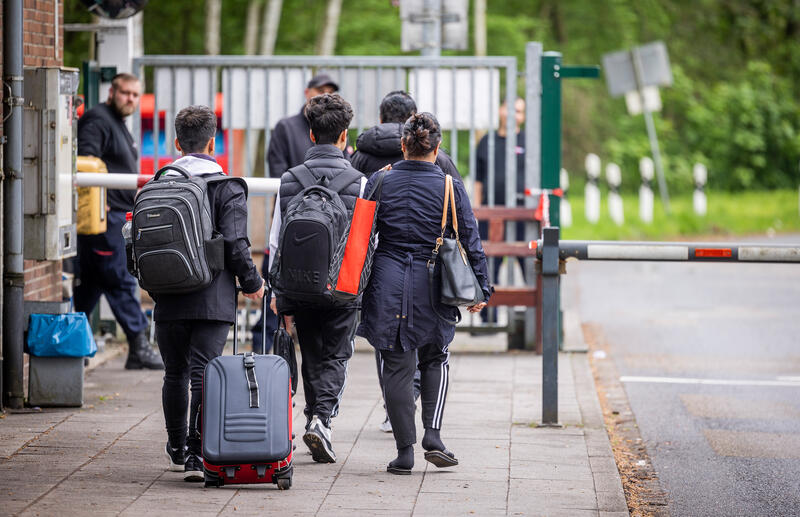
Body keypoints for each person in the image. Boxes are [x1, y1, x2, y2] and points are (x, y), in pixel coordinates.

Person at [358, 113, 491, 475]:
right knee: (435, 357)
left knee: (396, 366)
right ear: (437, 148)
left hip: (386, 280)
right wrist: (483, 286)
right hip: (433, 284)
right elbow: (471, 240)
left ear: (403, 146)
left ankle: (404, 452)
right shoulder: (450, 186)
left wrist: (348, 289)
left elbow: (358, 239)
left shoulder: (379, 181)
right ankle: (432, 433)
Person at [154, 105, 265, 481]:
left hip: (168, 294)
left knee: (174, 372)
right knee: (203, 372)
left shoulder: (160, 182)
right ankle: (197, 454)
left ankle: (175, 448)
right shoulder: (226, 186)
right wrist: (252, 282)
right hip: (211, 297)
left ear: (176, 143)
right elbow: (236, 244)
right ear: (213, 143)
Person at [351, 90, 466, 433]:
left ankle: (398, 422)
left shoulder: (363, 159)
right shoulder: (440, 165)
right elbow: (462, 222)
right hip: (429, 271)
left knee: (391, 350)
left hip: (385, 270)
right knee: (432, 350)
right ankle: (429, 426)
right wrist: (479, 285)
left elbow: (357, 225)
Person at [268, 93, 366, 464]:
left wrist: (277, 288)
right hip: (342, 285)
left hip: (299, 283)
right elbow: (364, 242)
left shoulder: (289, 179)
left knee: (310, 352)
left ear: (310, 135)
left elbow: (277, 238)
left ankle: (313, 417)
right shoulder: (361, 182)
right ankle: (322, 420)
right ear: (345, 137)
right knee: (337, 355)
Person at [76, 73, 164, 370]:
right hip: (104, 219)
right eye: (125, 93)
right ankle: (139, 345)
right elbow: (85, 166)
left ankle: (69, 344)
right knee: (118, 279)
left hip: (112, 217)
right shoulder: (98, 120)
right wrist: (107, 205)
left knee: (91, 284)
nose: (130, 99)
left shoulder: (117, 124)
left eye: (135, 95)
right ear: (112, 91)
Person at [475, 98, 527, 322]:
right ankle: (488, 319)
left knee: (528, 264)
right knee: (489, 266)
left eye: (519, 111)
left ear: (523, 116)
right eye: (510, 109)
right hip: (492, 214)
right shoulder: (487, 141)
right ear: (501, 110)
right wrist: (477, 211)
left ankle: (535, 319)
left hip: (523, 215)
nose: (514, 114)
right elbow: (478, 180)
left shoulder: (529, 142)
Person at [349, 90, 459, 178]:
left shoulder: (358, 157)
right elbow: (457, 200)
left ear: (381, 119)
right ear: (414, 120)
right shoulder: (434, 155)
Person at [266, 73, 339, 178]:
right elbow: (277, 169)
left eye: (331, 92)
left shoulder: (338, 126)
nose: (325, 96)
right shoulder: (285, 127)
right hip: (293, 193)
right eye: (320, 91)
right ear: (307, 92)